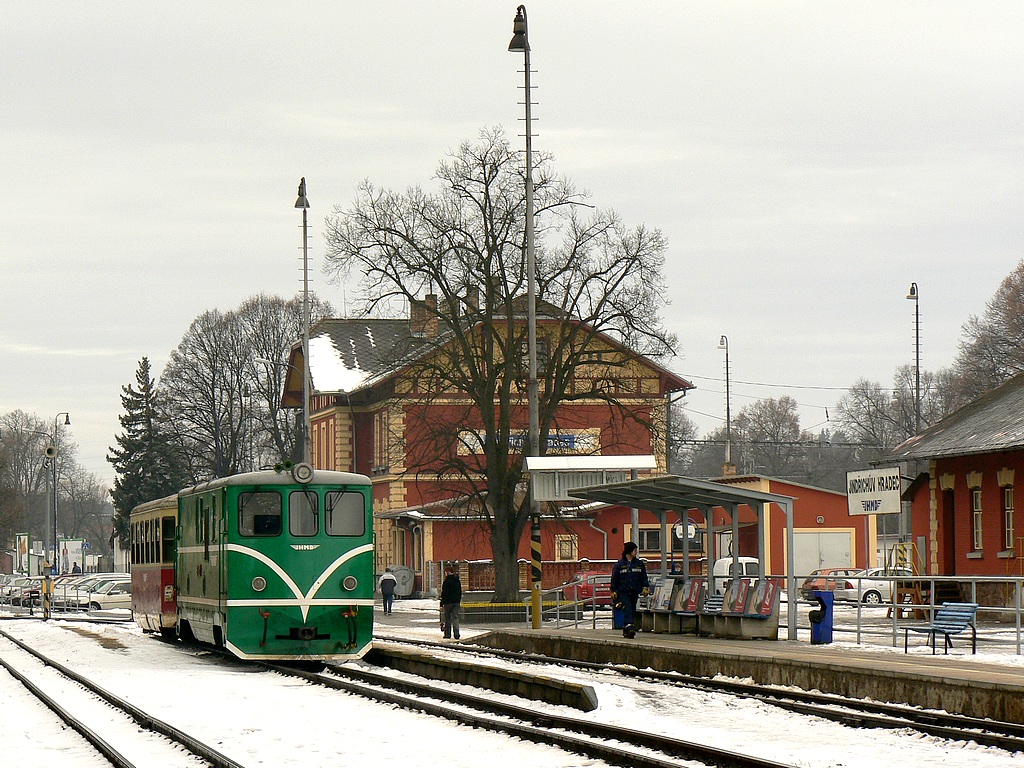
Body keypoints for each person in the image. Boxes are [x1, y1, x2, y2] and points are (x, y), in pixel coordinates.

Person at [610, 541, 649, 639]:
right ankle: (630, 627)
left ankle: (626, 628)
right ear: (629, 551)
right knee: (627, 608)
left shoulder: (639, 564)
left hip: (634, 590)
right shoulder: (619, 565)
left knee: (632, 609)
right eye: (634, 550)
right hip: (623, 591)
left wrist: (645, 587)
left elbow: (643, 576)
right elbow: (615, 578)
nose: (636, 552)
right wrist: (613, 590)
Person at [439, 564, 462, 640]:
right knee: (455, 618)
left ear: (448, 572)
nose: (445, 574)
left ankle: (447, 634)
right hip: (456, 602)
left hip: (448, 602)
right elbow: (460, 591)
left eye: (445, 572)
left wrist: (441, 603)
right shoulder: (457, 580)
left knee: (447, 618)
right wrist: (458, 600)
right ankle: (456, 634)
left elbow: (444, 593)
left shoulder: (446, 581)